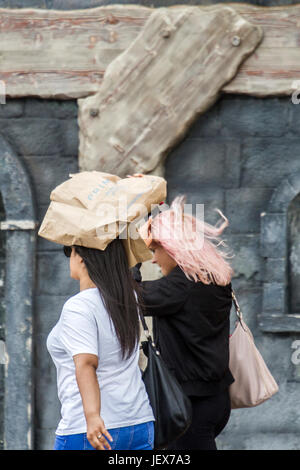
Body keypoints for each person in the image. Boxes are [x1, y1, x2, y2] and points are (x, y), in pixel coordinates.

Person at [132, 193, 235, 450]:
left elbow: (128, 296)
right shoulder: (212, 277)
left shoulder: (180, 286)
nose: (153, 259)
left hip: (190, 405)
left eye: (155, 250)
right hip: (215, 397)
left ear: (172, 248)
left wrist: (134, 257)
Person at [47, 238, 155, 451]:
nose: (71, 256)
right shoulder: (128, 298)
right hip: (138, 421)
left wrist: (93, 416)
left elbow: (86, 363)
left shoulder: (78, 307)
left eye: (72, 251)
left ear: (83, 259)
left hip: (92, 429)